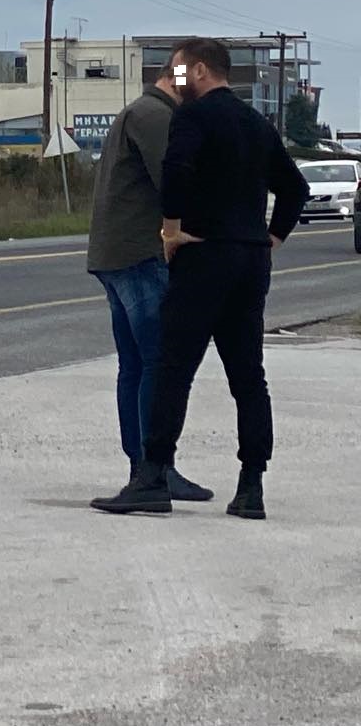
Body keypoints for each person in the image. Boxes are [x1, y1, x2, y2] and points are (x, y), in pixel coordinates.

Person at [93, 39, 308, 520]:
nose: (175, 80)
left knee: (172, 368)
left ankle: (153, 475)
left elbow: (176, 168)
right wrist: (272, 237)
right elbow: (295, 187)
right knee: (249, 376)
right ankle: (251, 485)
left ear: (202, 70)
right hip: (250, 260)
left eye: (180, 72)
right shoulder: (258, 124)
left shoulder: (192, 116)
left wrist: (171, 228)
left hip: (204, 253)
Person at [85, 75, 211, 502]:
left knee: (136, 365)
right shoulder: (155, 115)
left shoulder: (138, 112)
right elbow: (175, 181)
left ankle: (144, 467)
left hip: (117, 254)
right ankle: (154, 470)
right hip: (140, 253)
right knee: (158, 361)